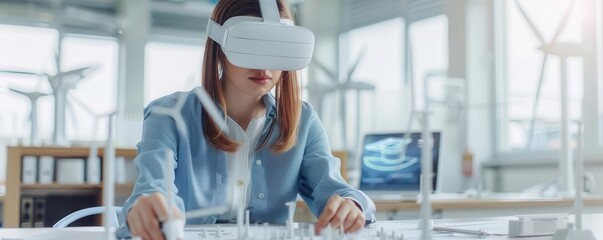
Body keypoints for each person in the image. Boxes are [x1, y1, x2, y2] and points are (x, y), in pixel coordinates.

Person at [117, 0, 376, 239]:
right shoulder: (168, 115)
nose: (264, 66)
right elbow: (152, 189)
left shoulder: (303, 121)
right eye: (249, 46)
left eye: (276, 50)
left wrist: (350, 205)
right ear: (219, 49)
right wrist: (144, 211)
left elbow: (335, 190)